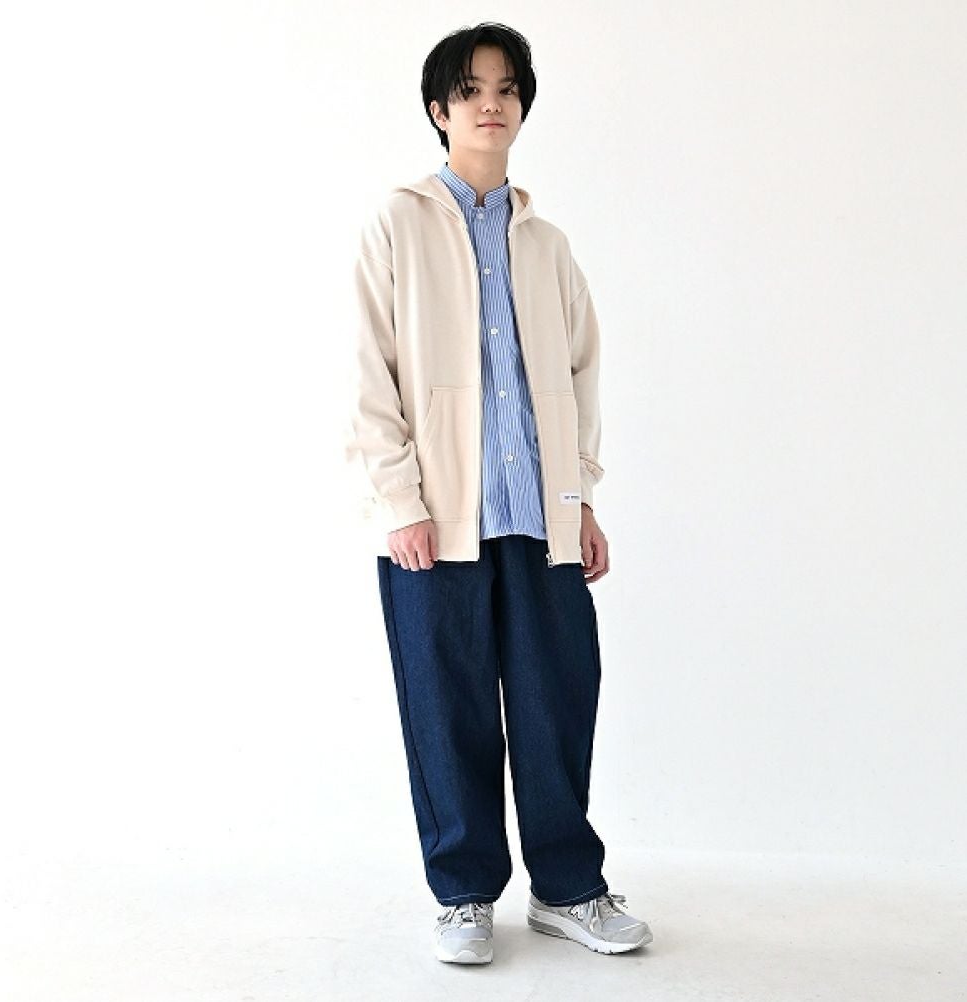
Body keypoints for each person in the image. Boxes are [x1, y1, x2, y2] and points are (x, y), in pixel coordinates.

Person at [344, 22, 653, 964]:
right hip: (439, 521)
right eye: (471, 90)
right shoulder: (395, 226)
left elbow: (580, 374)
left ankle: (568, 888)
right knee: (449, 710)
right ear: (439, 110)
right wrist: (399, 502)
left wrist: (581, 498)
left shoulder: (547, 245)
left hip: (542, 517)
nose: (491, 103)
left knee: (559, 702)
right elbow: (369, 374)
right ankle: (464, 894)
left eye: (507, 88)